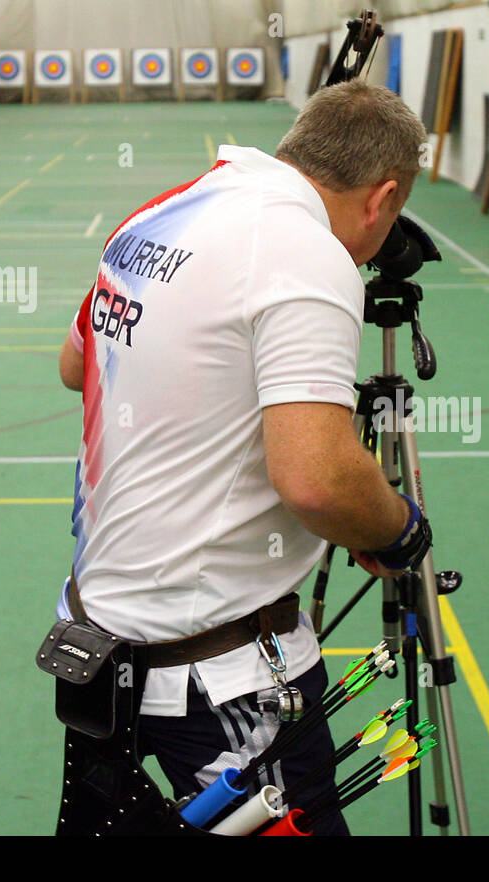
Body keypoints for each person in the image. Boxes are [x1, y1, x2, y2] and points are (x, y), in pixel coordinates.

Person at [53, 81, 431, 835]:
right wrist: (398, 531)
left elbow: (75, 363)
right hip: (216, 678)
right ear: (383, 198)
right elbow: (318, 481)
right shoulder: (307, 254)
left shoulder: (164, 211)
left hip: (97, 645)